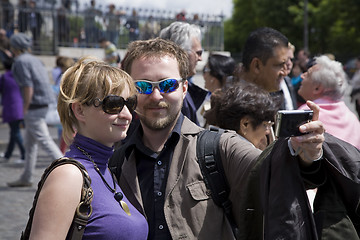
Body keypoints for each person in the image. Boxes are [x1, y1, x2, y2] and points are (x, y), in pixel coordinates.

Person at [109, 38, 325, 239]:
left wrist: (306, 154)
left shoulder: (218, 148)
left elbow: (275, 172)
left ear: (184, 88)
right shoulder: (116, 164)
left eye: (167, 85)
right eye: (143, 86)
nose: (156, 96)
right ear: (130, 92)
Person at [26, 57, 149, 239]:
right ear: (80, 111)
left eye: (129, 104)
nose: (126, 114)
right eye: (113, 104)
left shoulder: (106, 169)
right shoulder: (68, 175)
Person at [7, 33, 63, 187]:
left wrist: (23, 109)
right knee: (30, 144)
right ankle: (27, 177)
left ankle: (69, 168)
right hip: (44, 102)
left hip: (34, 106)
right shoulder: (34, 59)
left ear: (14, 48)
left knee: (45, 141)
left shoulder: (20, 62)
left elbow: (27, 86)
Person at [298, 55, 360, 149]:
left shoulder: (306, 114)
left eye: (308, 74)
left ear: (317, 88)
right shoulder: (352, 118)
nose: (302, 76)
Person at [159, 21, 208, 126]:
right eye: (198, 53)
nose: (200, 58)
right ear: (182, 53)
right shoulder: (174, 95)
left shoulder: (179, 90)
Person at [205, 82, 278, 150]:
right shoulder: (244, 158)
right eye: (265, 125)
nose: (268, 132)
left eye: (270, 125)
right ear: (245, 124)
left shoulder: (220, 146)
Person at [0, 56, 25, 163]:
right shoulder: (19, 76)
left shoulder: (4, 77)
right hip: (21, 106)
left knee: (15, 132)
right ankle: (8, 154)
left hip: (10, 108)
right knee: (13, 132)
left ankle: (24, 155)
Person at [201, 53, 236, 126]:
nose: (203, 75)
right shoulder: (210, 99)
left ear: (214, 75)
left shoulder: (225, 107)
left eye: (205, 70)